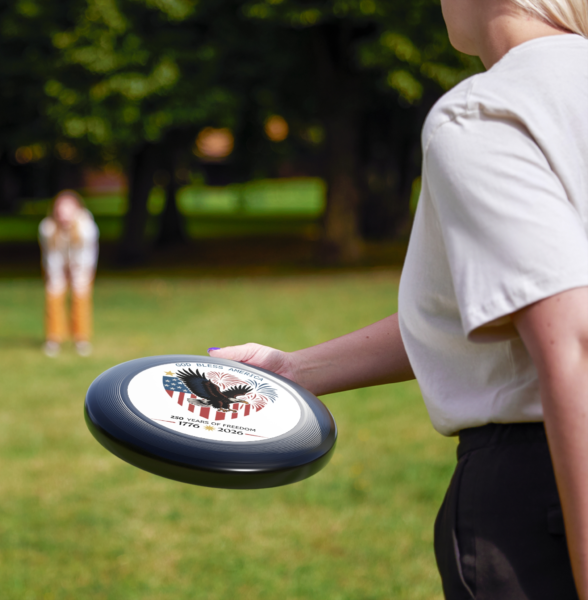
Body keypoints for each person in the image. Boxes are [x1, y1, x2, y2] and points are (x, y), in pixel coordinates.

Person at [208, 0, 588, 598]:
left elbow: (573, 341)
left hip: (546, 495)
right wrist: (294, 370)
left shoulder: (488, 112)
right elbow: (492, 308)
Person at [39, 190, 99, 357]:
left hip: (81, 265)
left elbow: (86, 255)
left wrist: (77, 273)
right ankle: (53, 339)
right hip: (57, 265)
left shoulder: (87, 227)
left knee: (81, 297)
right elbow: (51, 255)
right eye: (60, 209)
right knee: (53, 295)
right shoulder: (47, 228)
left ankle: (81, 339)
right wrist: (57, 275)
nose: (63, 214)